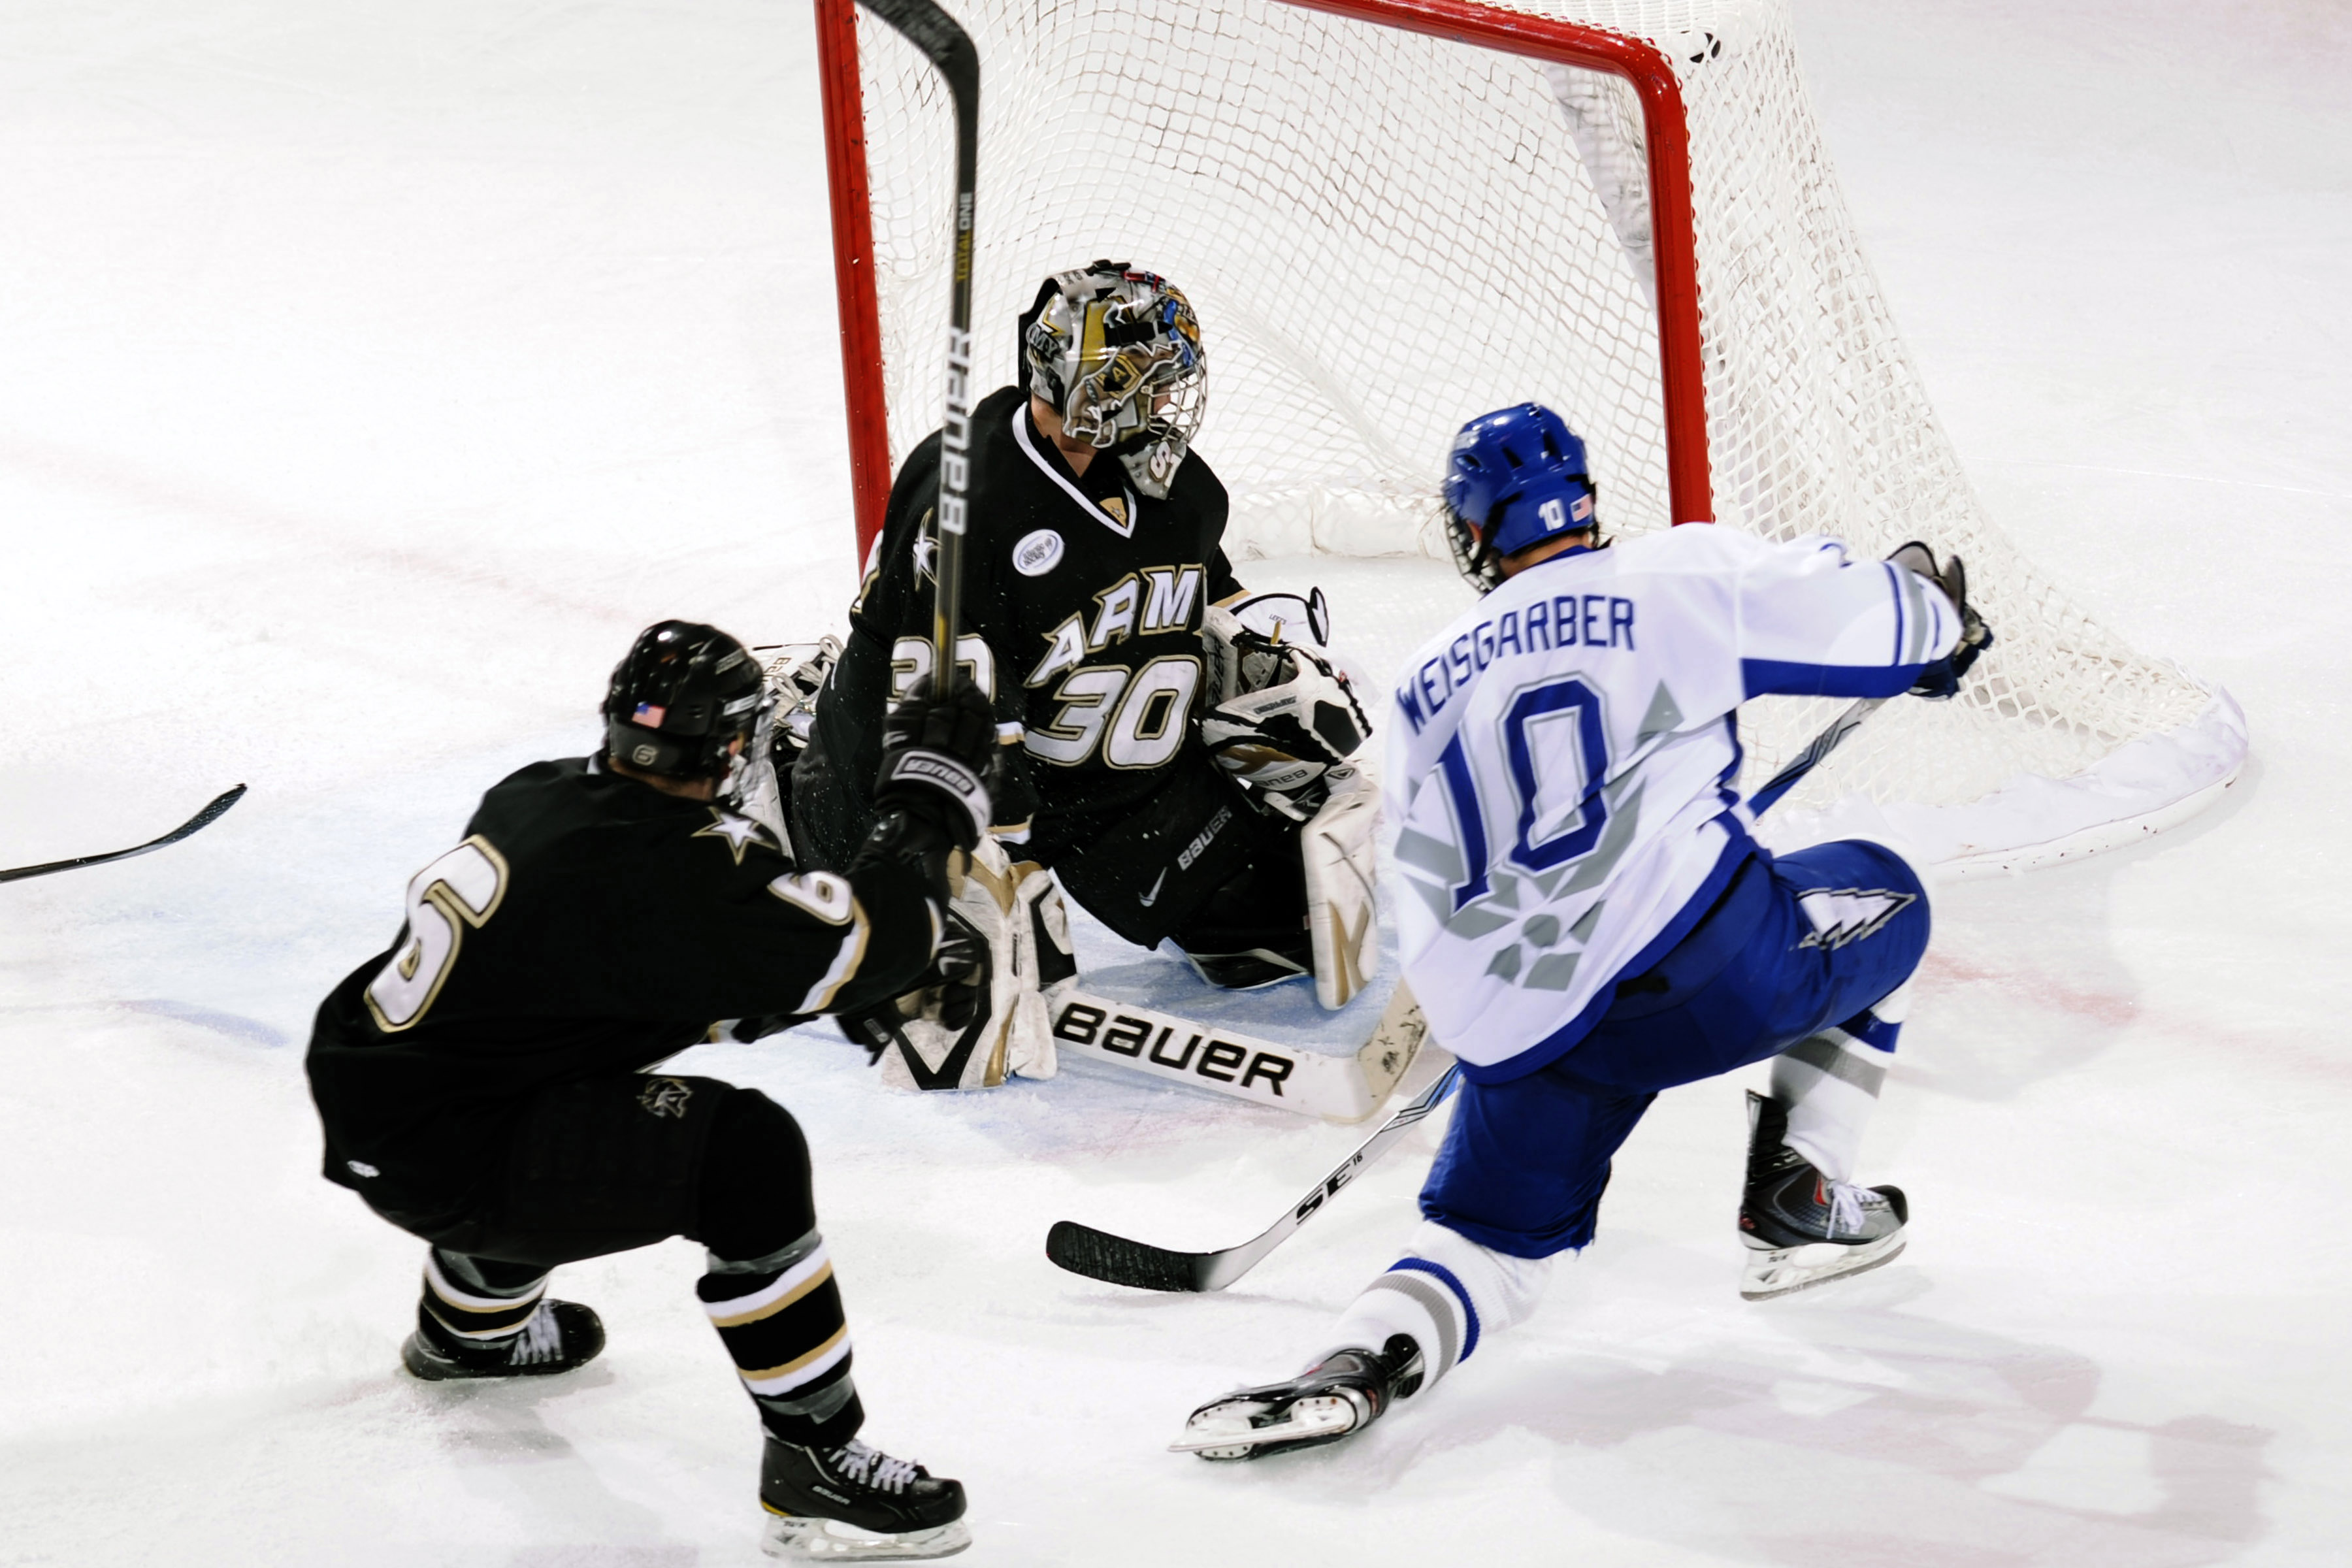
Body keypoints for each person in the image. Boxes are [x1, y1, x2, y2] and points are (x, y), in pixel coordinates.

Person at [1173, 404, 1993, 1460]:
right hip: (1707, 967)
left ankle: (1358, 1367)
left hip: (1521, 1025)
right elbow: (1899, 621)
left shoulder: (1427, 677)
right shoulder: (1670, 578)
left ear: (1474, 536)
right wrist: (1936, 617)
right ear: (1586, 504)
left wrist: (1482, 1023)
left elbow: (1416, 874)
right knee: (1886, 895)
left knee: (1491, 1248)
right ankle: (1801, 1197)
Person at [305, 620, 994, 1560]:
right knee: (744, 1154)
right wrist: (934, 792)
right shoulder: (680, 870)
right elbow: (890, 933)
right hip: (458, 1159)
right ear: (734, 746)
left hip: (376, 1096)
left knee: (561, 1082)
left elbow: (623, 981)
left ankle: (470, 1334)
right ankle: (815, 1461)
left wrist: (800, 995)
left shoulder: (541, 793)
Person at [792, 261, 1378, 1031]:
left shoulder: (1178, 493)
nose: (1170, 400)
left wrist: (1278, 673)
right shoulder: (965, 495)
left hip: (1098, 779)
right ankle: (787, 747)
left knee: (1273, 930)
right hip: (918, 780)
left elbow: (1218, 600)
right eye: (1155, 379)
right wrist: (1011, 857)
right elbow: (949, 702)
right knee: (941, 1004)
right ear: (1100, 387)